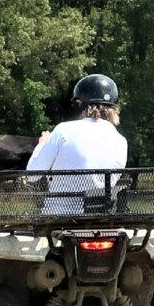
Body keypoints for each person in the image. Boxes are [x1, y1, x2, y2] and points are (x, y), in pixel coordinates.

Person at [26, 73, 128, 214]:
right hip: (102, 218)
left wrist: (42, 144)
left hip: (60, 216)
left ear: (81, 105)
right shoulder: (121, 141)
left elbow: (32, 175)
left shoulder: (63, 130)